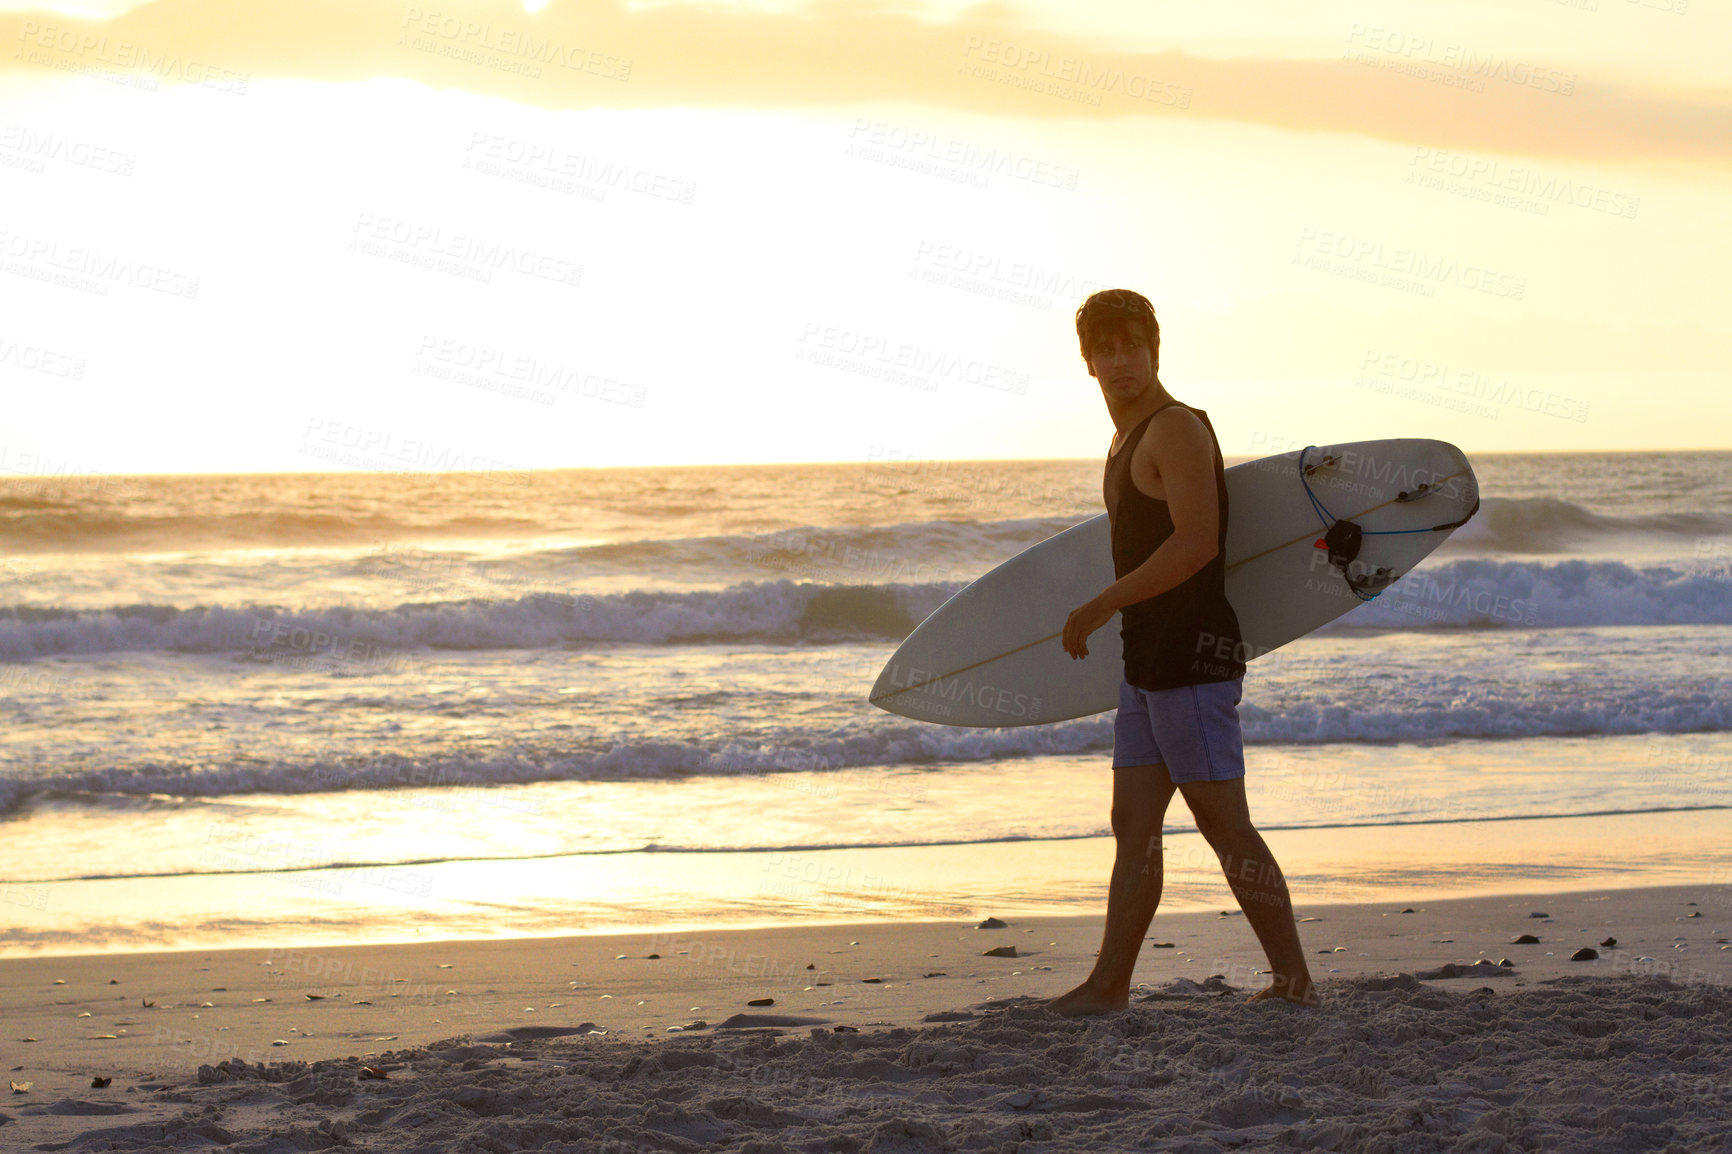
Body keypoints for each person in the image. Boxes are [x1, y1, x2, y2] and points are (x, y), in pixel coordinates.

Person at [1043, 288, 1319, 1014]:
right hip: (1147, 661)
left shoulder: (1174, 430)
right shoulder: (1124, 438)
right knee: (1133, 823)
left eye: (1133, 344)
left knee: (1224, 822)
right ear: (1088, 364)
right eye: (1106, 349)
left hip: (1191, 659)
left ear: (1154, 349)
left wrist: (1106, 600)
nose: (1121, 359)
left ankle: (1295, 982)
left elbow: (1197, 543)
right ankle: (1109, 987)